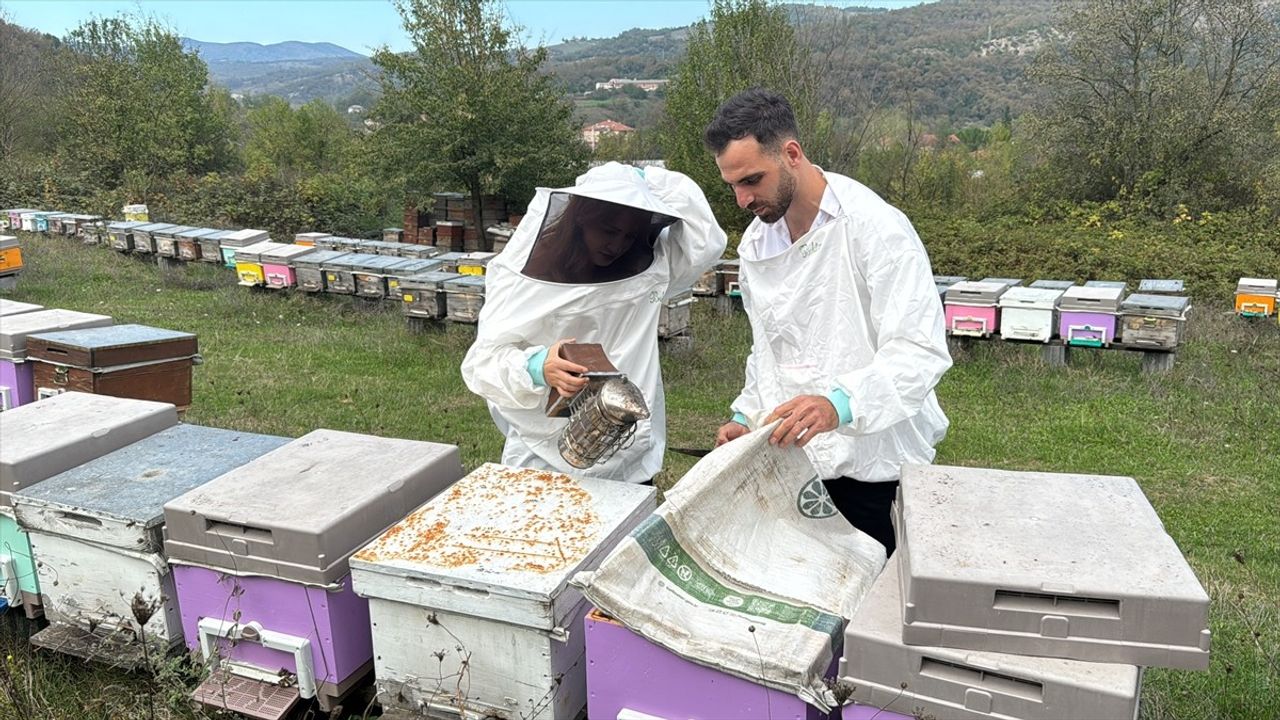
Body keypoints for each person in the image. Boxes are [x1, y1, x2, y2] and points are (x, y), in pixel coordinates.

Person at [704, 88, 951, 554]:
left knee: (869, 617)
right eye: (733, 185)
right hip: (795, 464)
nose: (741, 199)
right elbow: (769, 350)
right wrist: (745, 416)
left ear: (792, 153)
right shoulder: (758, 244)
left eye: (752, 180)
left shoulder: (875, 227)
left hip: (876, 469)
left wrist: (838, 404)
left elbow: (918, 351)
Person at [461, 162, 727, 483]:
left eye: (630, 235)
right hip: (542, 456)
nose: (617, 245)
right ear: (581, 219)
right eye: (610, 231)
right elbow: (481, 363)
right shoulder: (525, 277)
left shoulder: (650, 269)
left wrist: (646, 177)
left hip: (627, 449)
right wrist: (536, 366)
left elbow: (707, 239)